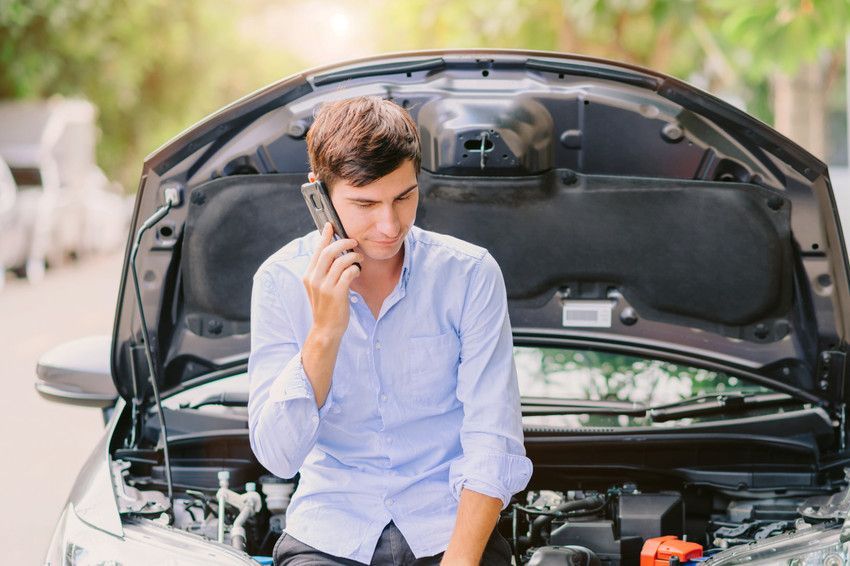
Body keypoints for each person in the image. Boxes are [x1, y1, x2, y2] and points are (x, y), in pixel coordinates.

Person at [248, 96, 531, 565]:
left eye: (404, 196)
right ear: (319, 195)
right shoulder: (278, 281)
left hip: (450, 528)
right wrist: (325, 332)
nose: (389, 224)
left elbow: (492, 439)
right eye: (364, 203)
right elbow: (279, 456)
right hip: (330, 531)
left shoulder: (470, 275)